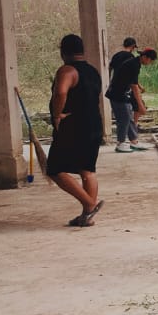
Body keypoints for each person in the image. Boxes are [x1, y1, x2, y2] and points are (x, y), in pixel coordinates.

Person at [47, 34, 106, 227]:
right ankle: (86, 216)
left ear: (63, 52)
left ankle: (90, 204)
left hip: (75, 125)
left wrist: (57, 114)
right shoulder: (92, 71)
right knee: (87, 170)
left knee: (55, 169)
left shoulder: (67, 70)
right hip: (94, 124)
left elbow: (61, 92)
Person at [106, 47, 157, 153]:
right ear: (145, 57)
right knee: (124, 118)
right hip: (117, 94)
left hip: (123, 93)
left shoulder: (136, 63)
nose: (149, 63)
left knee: (129, 117)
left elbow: (134, 83)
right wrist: (140, 105)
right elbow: (134, 87)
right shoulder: (134, 64)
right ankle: (120, 143)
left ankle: (134, 141)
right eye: (150, 60)